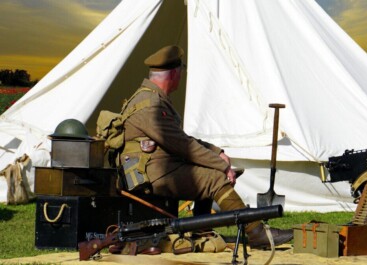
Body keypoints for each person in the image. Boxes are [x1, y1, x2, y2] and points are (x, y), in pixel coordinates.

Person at [118, 45, 293, 249]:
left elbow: (180, 138)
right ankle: (256, 233)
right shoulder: (150, 105)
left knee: (210, 172)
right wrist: (221, 166)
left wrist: (216, 152)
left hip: (157, 167)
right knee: (214, 179)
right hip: (150, 173)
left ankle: (202, 231)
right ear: (174, 74)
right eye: (182, 71)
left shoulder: (153, 99)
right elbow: (183, 145)